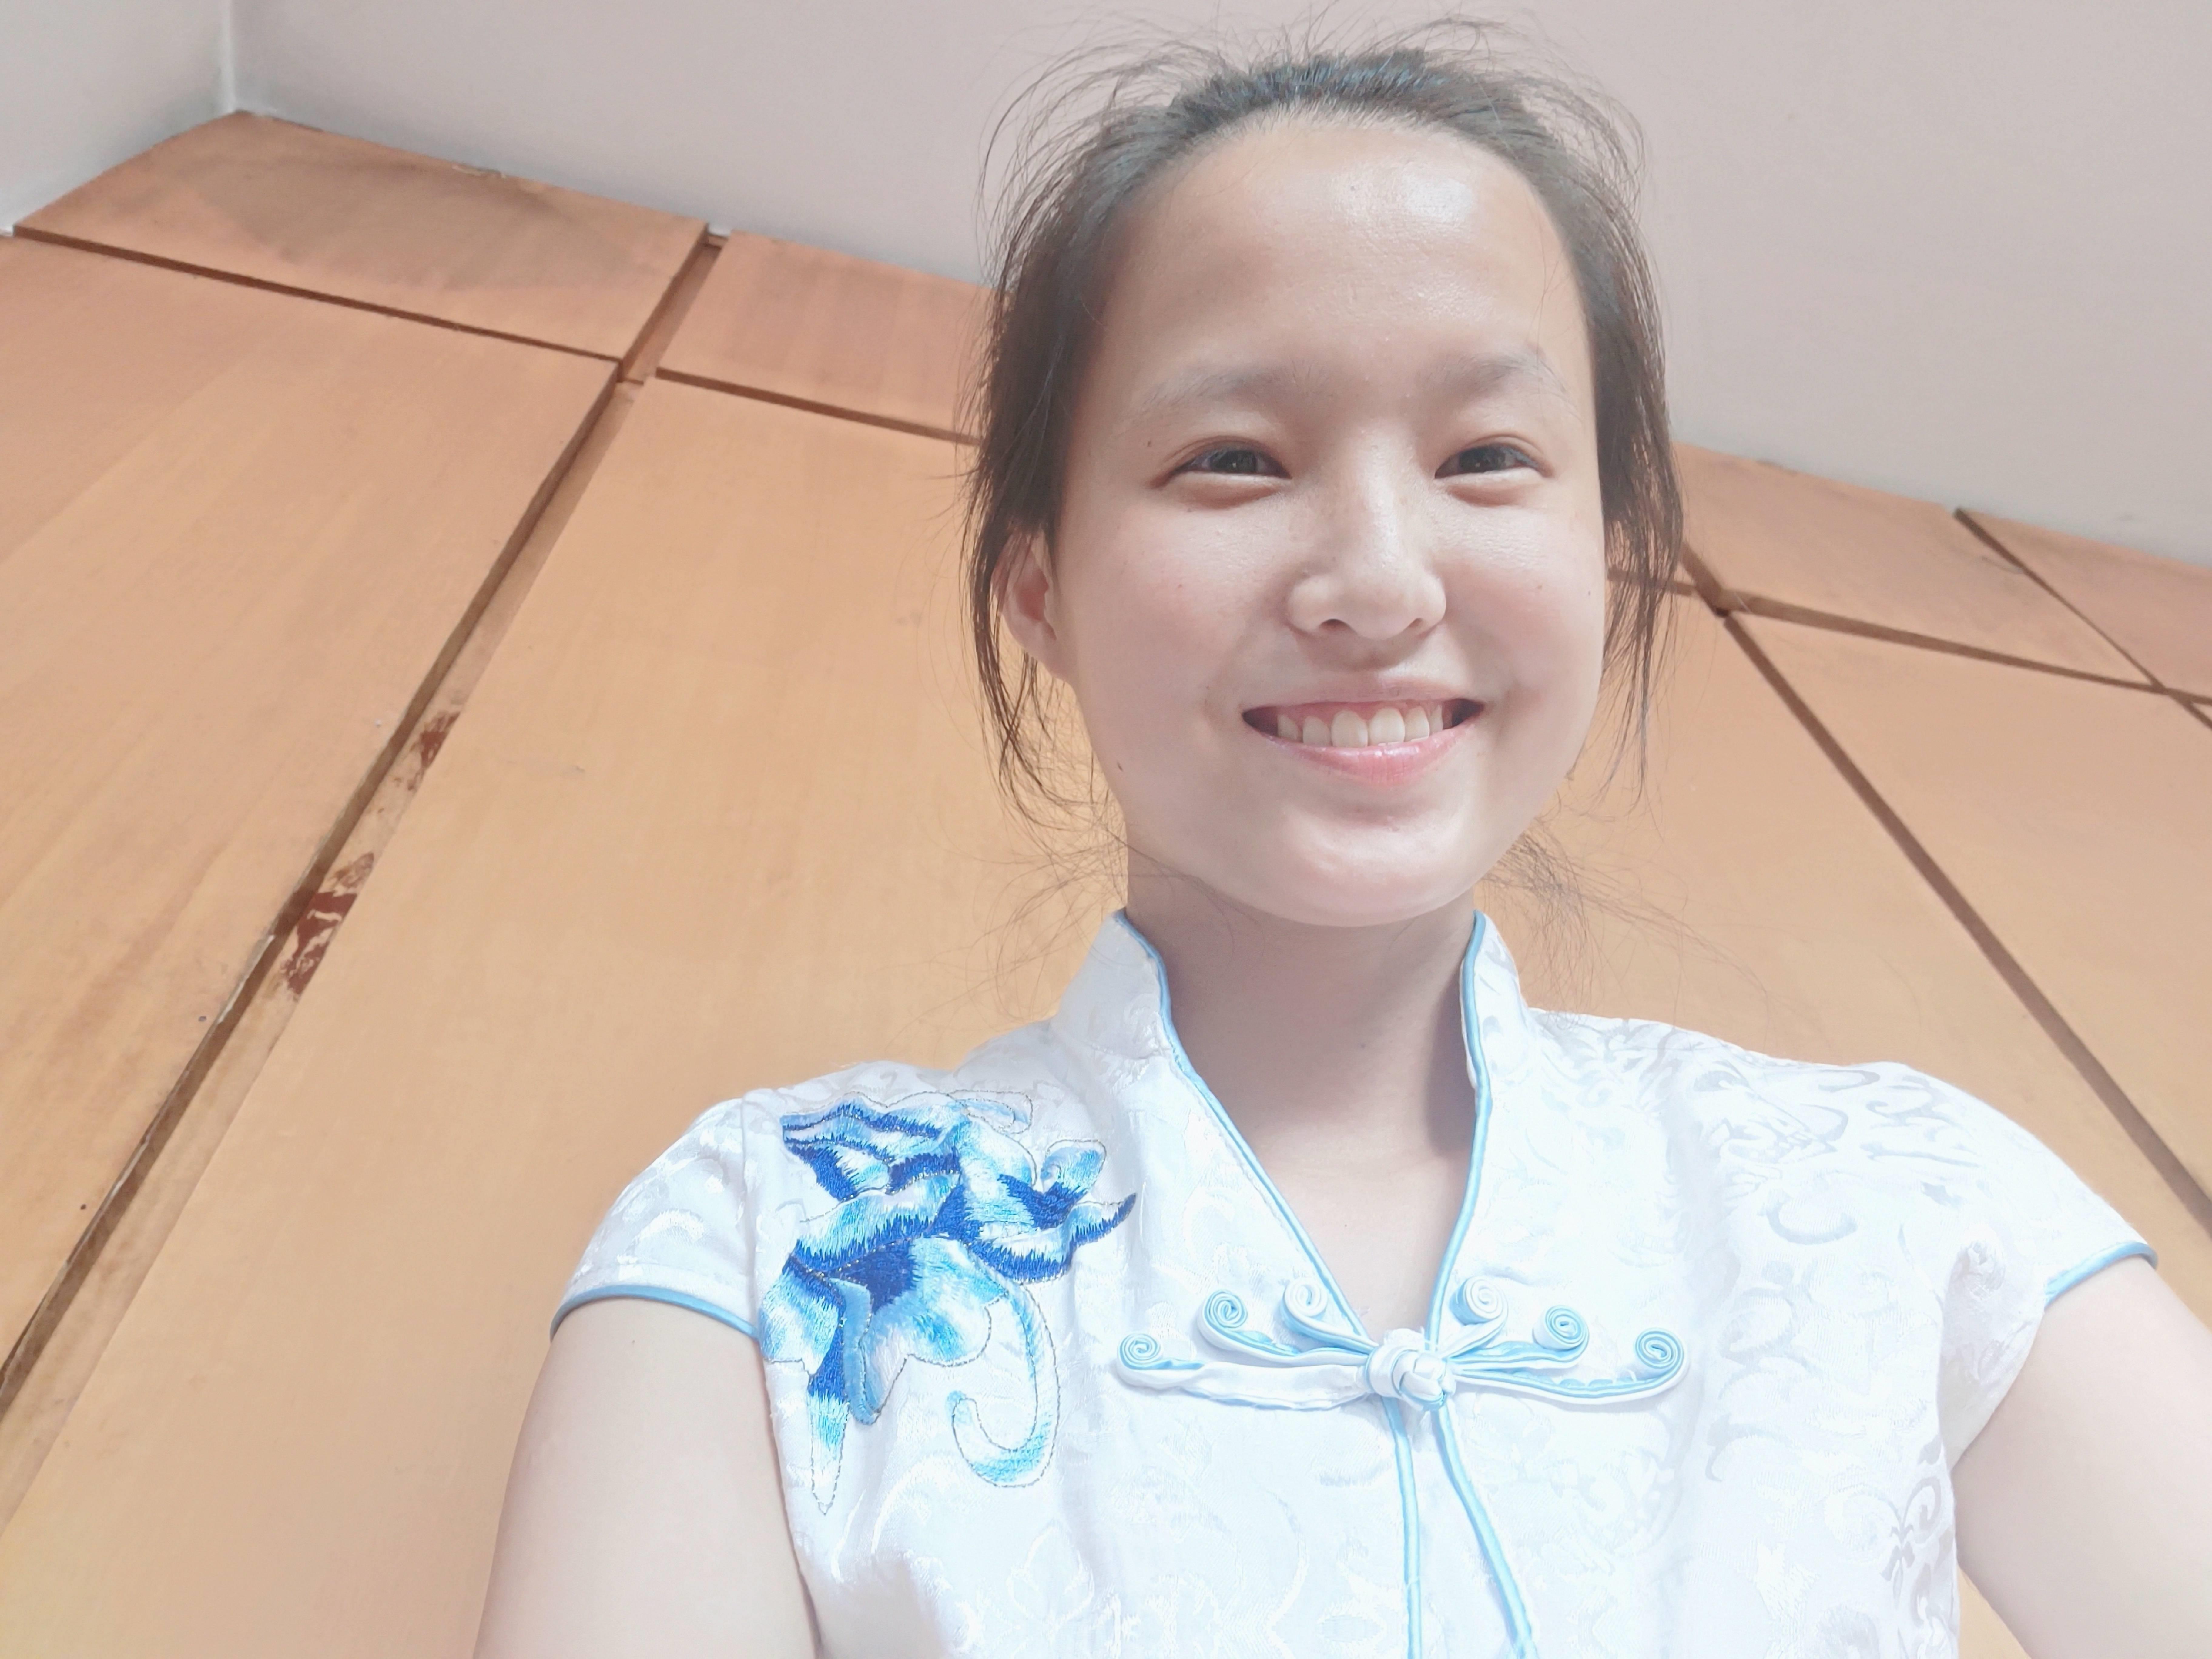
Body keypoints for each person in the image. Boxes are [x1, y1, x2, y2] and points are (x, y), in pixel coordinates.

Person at [473, 26, 2212, 1659]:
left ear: (1606, 566)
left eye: (1488, 454)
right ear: (1042, 591)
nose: (1379, 582)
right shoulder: (765, 1242)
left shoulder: (1908, 1206)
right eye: (1235, 458)